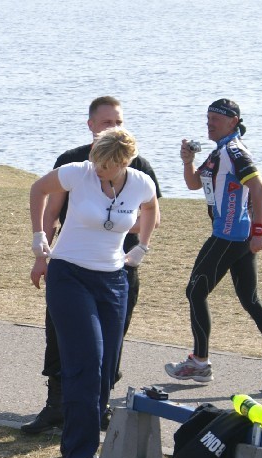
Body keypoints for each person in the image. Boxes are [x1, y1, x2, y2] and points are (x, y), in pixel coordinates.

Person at [23, 96, 162, 434]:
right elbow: (51, 210)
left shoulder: (139, 167)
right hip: (71, 263)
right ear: (91, 126)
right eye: (106, 123)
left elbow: (151, 214)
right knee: (61, 335)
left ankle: (97, 409)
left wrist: (130, 237)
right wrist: (42, 254)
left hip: (120, 268)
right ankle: (55, 405)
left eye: (118, 122)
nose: (113, 128)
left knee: (109, 345)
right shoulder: (73, 163)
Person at [165, 99, 262, 391]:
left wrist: (260, 231)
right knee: (250, 300)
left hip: (230, 235)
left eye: (216, 118)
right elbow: (193, 184)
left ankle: (200, 363)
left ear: (233, 121)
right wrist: (187, 160)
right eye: (207, 118)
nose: (209, 123)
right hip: (233, 235)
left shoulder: (235, 151)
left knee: (195, 290)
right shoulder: (219, 153)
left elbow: (259, 189)